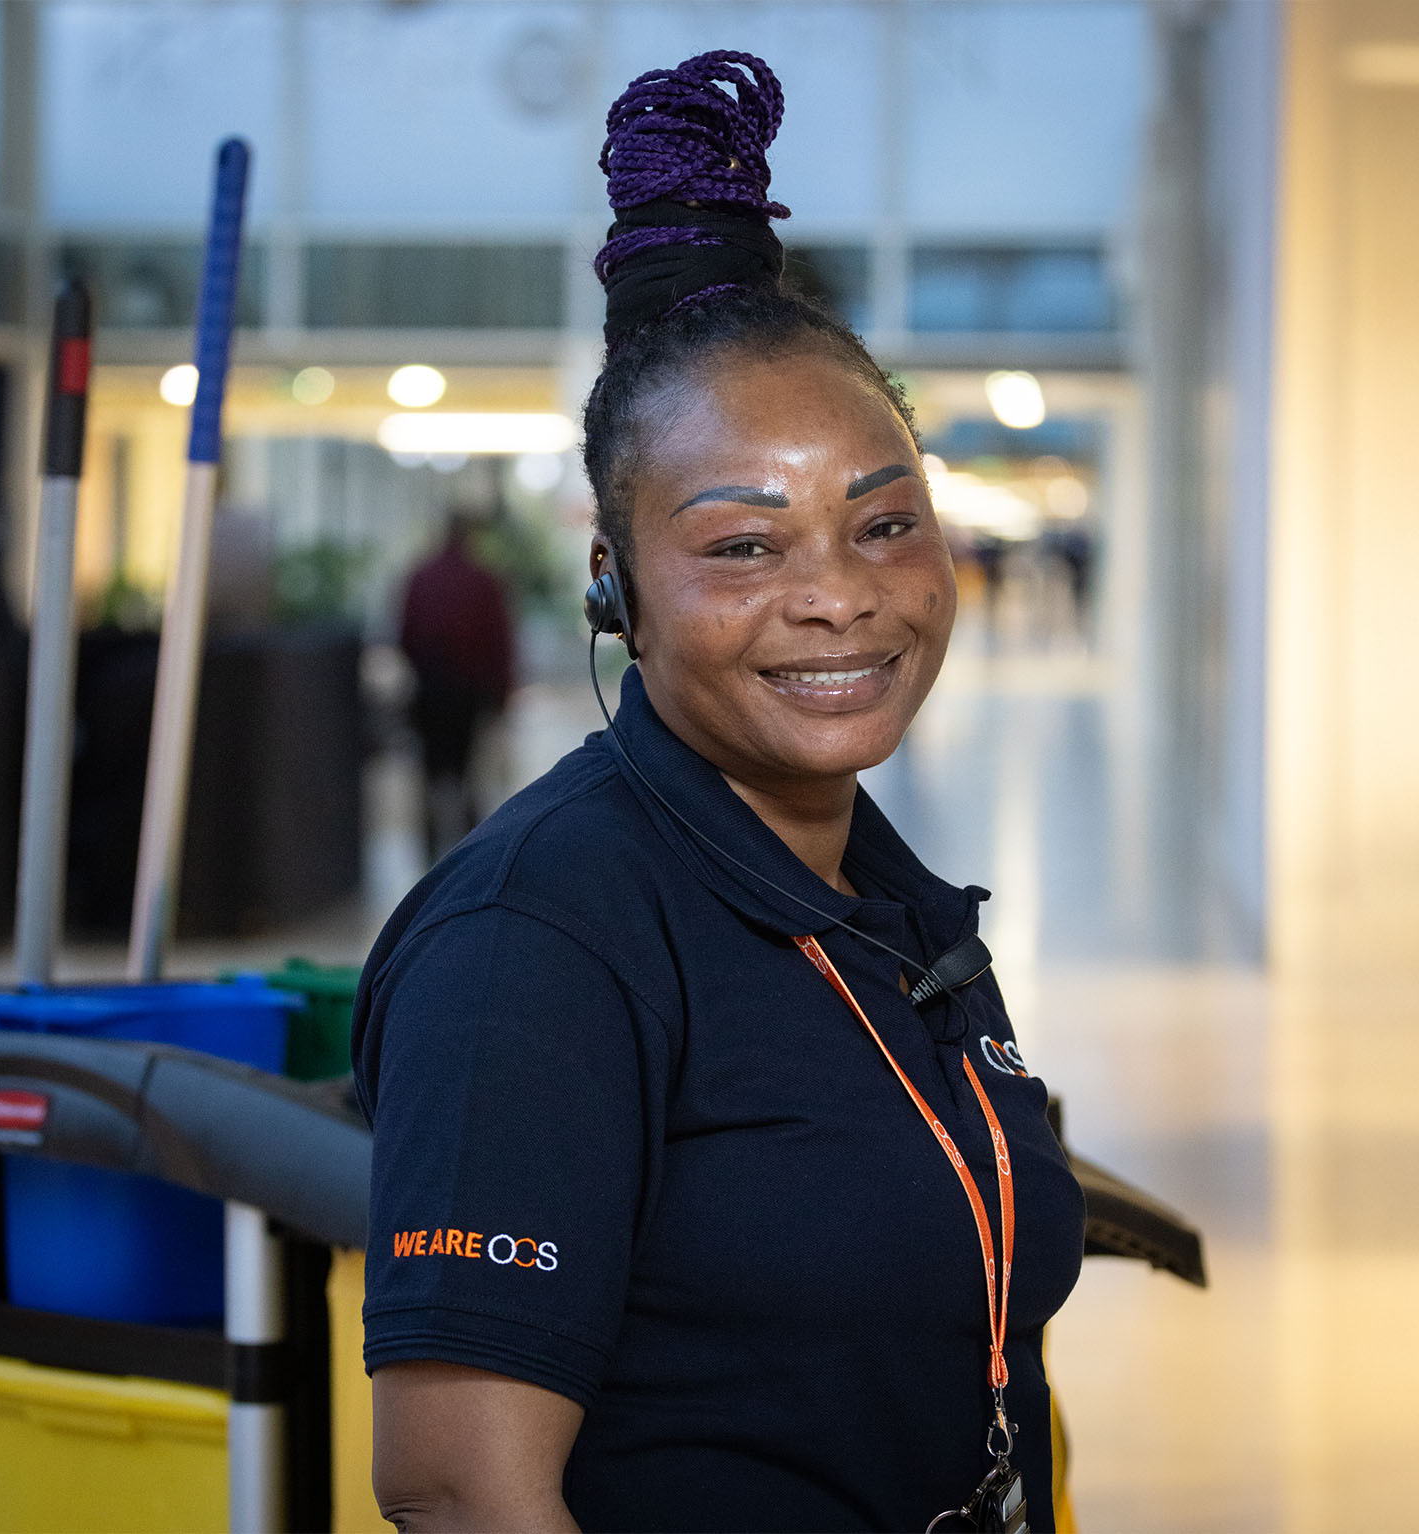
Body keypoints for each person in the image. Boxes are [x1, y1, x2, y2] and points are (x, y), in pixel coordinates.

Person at [353, 52, 1084, 1533]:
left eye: (885, 524)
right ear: (615, 584)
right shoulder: (539, 943)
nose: (842, 599)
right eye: (743, 547)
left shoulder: (876, 893)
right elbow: (458, 1487)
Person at [397, 511, 515, 862]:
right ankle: (469, 851)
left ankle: (430, 847)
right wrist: (501, 691)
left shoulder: (421, 577)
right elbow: (500, 641)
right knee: (468, 772)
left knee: (431, 771)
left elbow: (404, 636)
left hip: (430, 688)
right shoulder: (484, 580)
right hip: (470, 693)